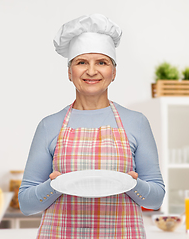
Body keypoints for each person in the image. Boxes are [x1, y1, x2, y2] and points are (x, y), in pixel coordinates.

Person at [18, 14, 166, 238]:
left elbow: (156, 200)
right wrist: (54, 185)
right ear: (70, 72)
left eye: (102, 62)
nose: (91, 71)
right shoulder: (49, 125)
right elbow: (26, 204)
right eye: (81, 62)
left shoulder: (136, 122)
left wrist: (131, 183)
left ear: (113, 72)